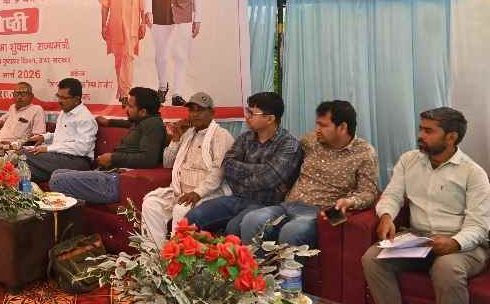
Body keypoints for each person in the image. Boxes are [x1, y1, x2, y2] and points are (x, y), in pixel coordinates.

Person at [362, 107, 490, 304]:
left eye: (429, 131)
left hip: (463, 244)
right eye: (421, 129)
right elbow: (392, 196)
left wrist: (454, 243)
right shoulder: (409, 160)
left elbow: (479, 226)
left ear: (451, 137)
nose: (420, 135)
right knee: (373, 258)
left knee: (446, 268)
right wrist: (386, 216)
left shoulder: (473, 173)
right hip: (420, 238)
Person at [239, 100, 379, 247]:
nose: (317, 129)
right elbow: (287, 154)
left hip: (319, 212)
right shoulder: (311, 141)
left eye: (323, 125)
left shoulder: (364, 153)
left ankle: (287, 264)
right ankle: (256, 263)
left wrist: (350, 202)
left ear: (342, 127)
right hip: (288, 203)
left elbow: (369, 192)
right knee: (252, 220)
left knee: (291, 231)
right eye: (317, 124)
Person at [184, 92, 303, 235]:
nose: (247, 116)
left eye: (252, 113)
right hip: (237, 198)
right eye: (247, 111)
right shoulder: (245, 137)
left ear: (270, 119)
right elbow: (228, 166)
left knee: (234, 228)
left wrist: (242, 174)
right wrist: (261, 170)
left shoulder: (289, 144)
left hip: (266, 204)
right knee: (191, 218)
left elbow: (269, 178)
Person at [141, 91, 233, 248]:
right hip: (180, 192)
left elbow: (219, 172)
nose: (195, 114)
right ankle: (154, 255)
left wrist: (197, 193)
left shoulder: (221, 136)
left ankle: (176, 258)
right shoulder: (188, 134)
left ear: (212, 113)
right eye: (191, 110)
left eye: (200, 110)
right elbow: (168, 163)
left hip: (209, 194)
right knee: (151, 204)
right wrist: (176, 138)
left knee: (181, 209)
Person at [49, 86, 167, 204]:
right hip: (110, 174)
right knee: (57, 173)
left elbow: (148, 159)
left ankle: (72, 210)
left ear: (143, 112)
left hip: (118, 181)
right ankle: (74, 209)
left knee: (57, 180)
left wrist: (112, 158)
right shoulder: (141, 121)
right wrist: (108, 122)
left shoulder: (153, 125)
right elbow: (128, 124)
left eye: (130, 106)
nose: (126, 108)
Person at [100, 0, 146, 105]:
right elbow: (105, 4)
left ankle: (125, 93)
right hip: (115, 25)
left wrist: (143, 23)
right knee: (119, 58)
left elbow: (144, 3)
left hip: (132, 25)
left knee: (128, 56)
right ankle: (122, 92)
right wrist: (103, 25)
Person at [25, 78, 97, 183]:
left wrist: (48, 149)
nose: (59, 101)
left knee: (24, 153)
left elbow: (82, 148)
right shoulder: (65, 112)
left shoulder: (85, 118)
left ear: (76, 99)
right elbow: (63, 137)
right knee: (23, 170)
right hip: (60, 158)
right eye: (58, 96)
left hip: (78, 161)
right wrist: (44, 137)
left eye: (64, 98)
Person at [0, 82, 46, 148]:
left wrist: (14, 144)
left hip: (13, 149)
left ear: (31, 96)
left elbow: (38, 138)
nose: (19, 97)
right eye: (17, 94)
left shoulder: (36, 110)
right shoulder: (12, 107)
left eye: (23, 94)